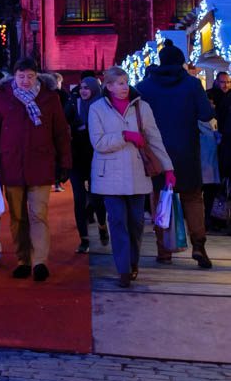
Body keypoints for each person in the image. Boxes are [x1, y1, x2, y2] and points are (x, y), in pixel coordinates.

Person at [0, 57, 71, 282]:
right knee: (18, 217)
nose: (25, 81)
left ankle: (40, 261)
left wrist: (65, 162)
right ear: (14, 76)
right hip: (11, 165)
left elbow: (60, 131)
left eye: (30, 76)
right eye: (21, 76)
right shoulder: (3, 97)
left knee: (38, 214)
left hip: (40, 163)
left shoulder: (50, 98)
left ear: (36, 76)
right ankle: (23, 259)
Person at [89, 66, 174, 287]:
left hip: (137, 173)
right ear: (108, 86)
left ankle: (133, 263)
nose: (124, 87)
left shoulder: (142, 107)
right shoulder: (97, 109)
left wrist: (168, 168)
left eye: (125, 82)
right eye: (118, 83)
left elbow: (155, 138)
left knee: (136, 223)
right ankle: (123, 269)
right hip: (109, 176)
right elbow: (98, 143)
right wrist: (124, 136)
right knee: (117, 222)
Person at [136, 42, 216, 269]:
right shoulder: (191, 84)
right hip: (187, 151)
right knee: (193, 198)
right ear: (181, 60)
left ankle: (164, 251)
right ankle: (199, 245)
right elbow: (205, 113)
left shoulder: (145, 86)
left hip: (158, 154)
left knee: (161, 200)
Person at [69, 77, 109, 253]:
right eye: (82, 87)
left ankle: (101, 225)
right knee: (79, 199)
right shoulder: (73, 105)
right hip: (76, 159)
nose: (84, 91)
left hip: (96, 158)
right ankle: (83, 239)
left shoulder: (103, 106)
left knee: (97, 199)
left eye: (87, 88)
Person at [207, 71, 231, 230]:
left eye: (228, 82)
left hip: (223, 148)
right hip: (219, 149)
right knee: (217, 188)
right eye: (223, 82)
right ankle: (216, 219)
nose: (226, 85)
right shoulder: (212, 96)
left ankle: (218, 219)